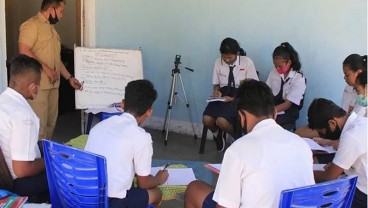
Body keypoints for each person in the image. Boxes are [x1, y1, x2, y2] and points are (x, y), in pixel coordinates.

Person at [185, 80, 315, 208]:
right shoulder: (302, 144)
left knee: (194, 188)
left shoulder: (238, 149)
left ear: (241, 116)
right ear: (275, 113)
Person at [85, 80, 168, 208]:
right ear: (149, 111)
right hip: (112, 202)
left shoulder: (99, 126)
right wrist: (159, 179)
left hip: (86, 194)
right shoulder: (142, 137)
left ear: (122, 104)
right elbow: (143, 184)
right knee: (157, 193)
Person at [18, 0, 82, 140]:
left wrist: (69, 78)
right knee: (38, 127)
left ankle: (44, 158)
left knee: (50, 125)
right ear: (52, 9)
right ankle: (36, 159)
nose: (61, 15)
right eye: (61, 11)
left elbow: (56, 60)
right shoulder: (32, 25)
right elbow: (24, 50)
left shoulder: (51, 29)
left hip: (53, 85)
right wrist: (46, 70)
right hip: (37, 86)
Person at [0, 54, 49, 201]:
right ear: (33, 87)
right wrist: (48, 161)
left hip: (3, 172)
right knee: (64, 174)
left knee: (45, 146)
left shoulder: (3, 100)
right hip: (17, 183)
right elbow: (22, 170)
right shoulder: (24, 116)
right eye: (39, 84)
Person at [308, 98, 367, 208]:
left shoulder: (351, 136)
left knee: (321, 196)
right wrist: (339, 168)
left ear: (332, 123)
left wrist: (305, 171)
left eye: (322, 133)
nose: (323, 136)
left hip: (364, 194)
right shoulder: (361, 122)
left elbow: (328, 178)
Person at [203, 37, 259, 151]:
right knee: (207, 120)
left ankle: (237, 137)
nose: (227, 60)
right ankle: (217, 134)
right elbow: (216, 83)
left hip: (241, 94)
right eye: (224, 57)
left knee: (222, 121)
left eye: (230, 57)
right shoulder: (218, 62)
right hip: (223, 95)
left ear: (237, 53)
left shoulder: (247, 62)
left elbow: (252, 87)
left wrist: (234, 99)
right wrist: (217, 91)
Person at [266, 42, 305, 131]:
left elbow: (287, 105)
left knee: (271, 123)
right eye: (275, 66)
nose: (277, 68)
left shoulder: (299, 78)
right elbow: (266, 90)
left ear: (289, 62)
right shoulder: (274, 72)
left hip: (289, 111)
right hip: (274, 107)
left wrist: (270, 112)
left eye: (280, 66)